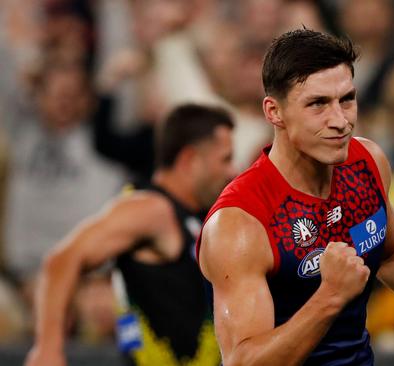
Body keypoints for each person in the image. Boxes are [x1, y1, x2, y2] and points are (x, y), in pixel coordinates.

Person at [197, 29, 394, 366]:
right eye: (318, 104)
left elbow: (392, 248)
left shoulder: (366, 162)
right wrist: (330, 297)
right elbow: (243, 361)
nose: (340, 121)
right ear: (274, 111)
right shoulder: (240, 221)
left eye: (347, 99)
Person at [26, 104, 237, 366]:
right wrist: (48, 350)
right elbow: (62, 259)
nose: (232, 172)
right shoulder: (150, 209)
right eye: (225, 159)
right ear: (189, 160)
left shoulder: (200, 213)